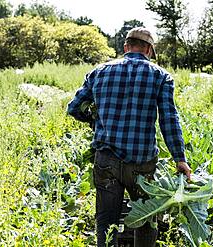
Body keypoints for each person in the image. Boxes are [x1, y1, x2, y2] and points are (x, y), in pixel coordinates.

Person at [67, 27, 191, 247]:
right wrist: (179, 159)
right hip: (141, 164)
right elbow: (168, 120)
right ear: (150, 50)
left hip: (106, 161)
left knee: (106, 222)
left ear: (126, 47)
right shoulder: (160, 76)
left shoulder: (99, 72)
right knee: (145, 220)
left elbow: (74, 108)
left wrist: (95, 121)